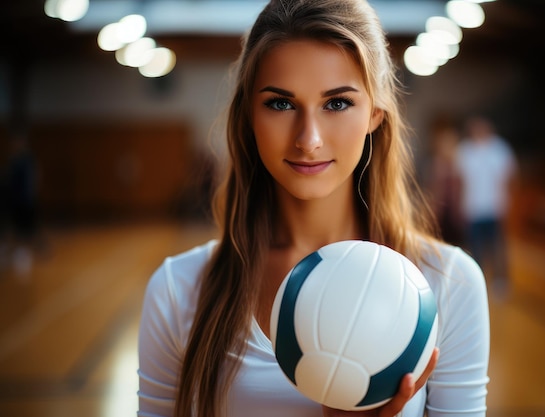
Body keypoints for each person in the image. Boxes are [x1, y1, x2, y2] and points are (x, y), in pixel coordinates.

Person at [137, 1, 490, 416]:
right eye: (281, 104)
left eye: (337, 103)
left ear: (375, 114)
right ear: (249, 115)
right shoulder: (179, 291)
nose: (309, 139)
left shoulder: (450, 283)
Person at [455, 116, 517, 296]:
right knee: (475, 249)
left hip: (495, 208)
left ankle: (501, 281)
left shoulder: (500, 149)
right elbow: (460, 181)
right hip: (473, 209)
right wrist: (461, 204)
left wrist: (507, 200)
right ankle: (479, 282)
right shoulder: (464, 150)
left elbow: (511, 176)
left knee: (497, 247)